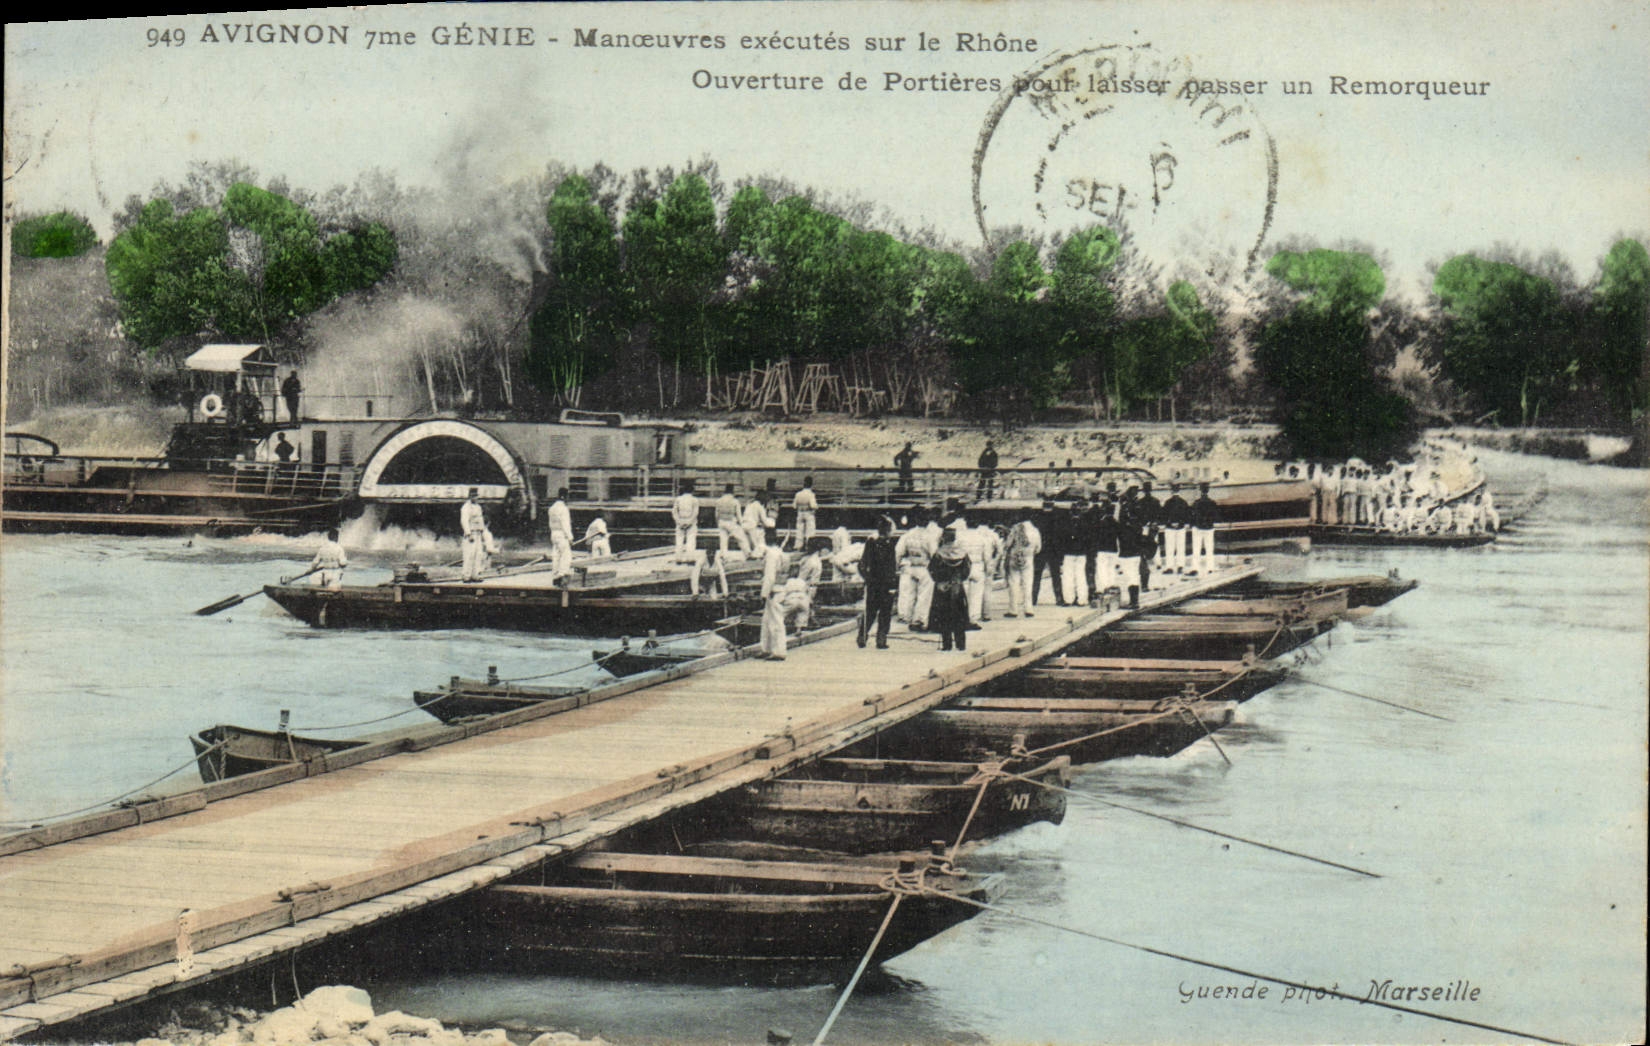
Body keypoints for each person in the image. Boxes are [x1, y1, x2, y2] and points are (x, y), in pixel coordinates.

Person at [926, 528, 972, 652]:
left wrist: (939, 580)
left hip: (943, 587)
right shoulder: (962, 553)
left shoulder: (939, 553)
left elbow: (932, 569)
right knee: (959, 615)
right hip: (957, 586)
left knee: (944, 615)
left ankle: (947, 644)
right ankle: (961, 644)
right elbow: (967, 569)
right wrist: (959, 579)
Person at [858, 517, 900, 649]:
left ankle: (862, 636)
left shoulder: (870, 543)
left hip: (872, 583)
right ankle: (881, 639)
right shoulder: (889, 546)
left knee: (870, 611)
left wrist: (866, 578)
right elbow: (892, 567)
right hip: (885, 584)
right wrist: (893, 585)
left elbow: (862, 564)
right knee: (885, 613)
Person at [895, 511, 936, 626]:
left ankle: (904, 615)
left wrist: (897, 566)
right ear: (927, 522)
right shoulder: (929, 536)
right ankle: (919, 619)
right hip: (924, 567)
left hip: (909, 565)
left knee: (907, 593)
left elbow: (898, 552)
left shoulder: (908, 534)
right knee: (924, 595)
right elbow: (934, 554)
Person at [758, 530, 790, 659]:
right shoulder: (783, 554)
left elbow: (770, 576)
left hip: (774, 590)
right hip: (781, 587)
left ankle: (779, 651)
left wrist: (764, 594)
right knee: (767, 620)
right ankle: (766, 648)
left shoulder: (771, 554)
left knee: (776, 620)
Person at [1002, 516, 1040, 618]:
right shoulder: (1035, 530)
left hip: (1014, 558)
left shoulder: (1015, 528)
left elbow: (1007, 544)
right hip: (1028, 559)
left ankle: (1013, 610)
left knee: (1014, 584)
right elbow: (1038, 548)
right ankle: (1029, 609)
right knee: (1028, 585)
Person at [1032, 500, 1067, 607]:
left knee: (1036, 576)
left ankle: (1033, 599)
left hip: (1040, 551)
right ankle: (1059, 599)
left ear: (1043, 506)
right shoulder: (1058, 518)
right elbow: (1061, 537)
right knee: (1056, 576)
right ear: (1053, 505)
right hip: (1054, 551)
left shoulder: (1037, 518)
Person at [1160, 483, 1191, 574]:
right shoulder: (1183, 502)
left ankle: (1170, 567)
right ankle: (1180, 567)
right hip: (1180, 528)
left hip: (1170, 528)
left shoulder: (1167, 502)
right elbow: (1187, 515)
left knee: (1170, 548)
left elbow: (1163, 516)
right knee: (1180, 548)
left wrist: (1170, 523)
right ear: (1179, 490)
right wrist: (1180, 523)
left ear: (1171, 490)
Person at [1189, 483, 1219, 574]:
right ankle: (1210, 567)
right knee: (1209, 549)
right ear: (1208, 490)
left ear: (1200, 491)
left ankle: (1195, 568)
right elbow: (1216, 516)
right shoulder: (1212, 503)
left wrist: (1193, 525)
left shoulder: (1196, 503)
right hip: (1209, 528)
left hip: (1198, 528)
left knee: (1196, 549)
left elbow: (1192, 516)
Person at [460, 489, 489, 581]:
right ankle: (466, 575)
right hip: (471, 533)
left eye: (476, 496)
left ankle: (475, 575)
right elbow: (464, 521)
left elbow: (480, 521)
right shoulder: (466, 507)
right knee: (469, 554)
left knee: (478, 554)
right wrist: (468, 534)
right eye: (473, 496)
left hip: (478, 533)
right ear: (470, 496)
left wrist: (483, 533)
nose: (475, 498)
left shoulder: (478, 507)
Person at [547, 487, 574, 582]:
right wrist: (570, 537)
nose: (568, 499)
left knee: (556, 555)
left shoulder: (552, 508)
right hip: (561, 534)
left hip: (553, 533)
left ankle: (555, 574)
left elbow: (550, 523)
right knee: (566, 555)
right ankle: (562, 575)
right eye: (567, 496)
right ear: (564, 496)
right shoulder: (563, 508)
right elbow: (565, 524)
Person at [715, 484, 749, 555]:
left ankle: (723, 556)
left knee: (723, 541)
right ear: (732, 491)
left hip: (721, 522)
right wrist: (742, 524)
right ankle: (747, 552)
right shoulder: (735, 501)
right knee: (741, 537)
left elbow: (716, 514)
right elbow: (739, 515)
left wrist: (718, 523)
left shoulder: (718, 501)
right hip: (731, 522)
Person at [791, 476, 819, 551]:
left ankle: (798, 546)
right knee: (810, 531)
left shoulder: (798, 494)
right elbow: (813, 505)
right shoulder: (811, 494)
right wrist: (817, 507)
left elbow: (794, 506)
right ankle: (808, 546)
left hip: (800, 513)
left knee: (799, 530)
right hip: (808, 513)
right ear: (811, 484)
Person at [672, 489, 700, 563]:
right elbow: (695, 513)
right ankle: (690, 558)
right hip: (690, 521)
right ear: (692, 491)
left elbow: (674, 512)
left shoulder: (678, 499)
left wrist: (679, 522)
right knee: (691, 540)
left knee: (679, 540)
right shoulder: (694, 500)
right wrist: (689, 522)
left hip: (680, 520)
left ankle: (678, 558)